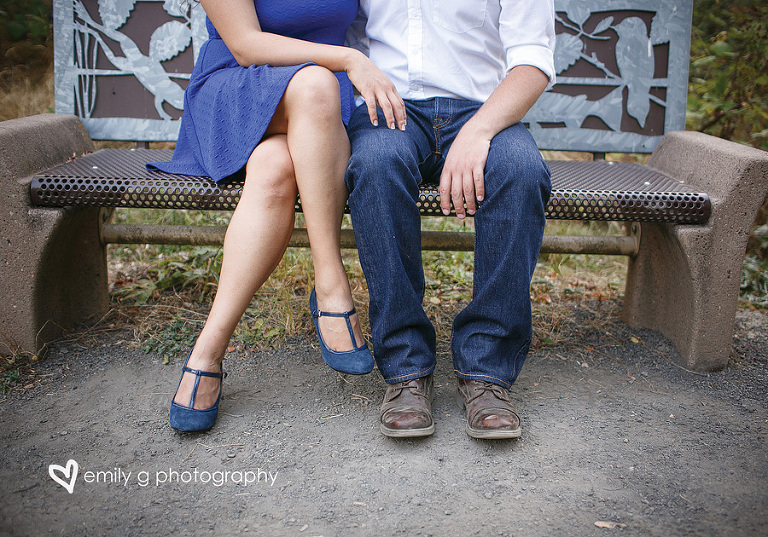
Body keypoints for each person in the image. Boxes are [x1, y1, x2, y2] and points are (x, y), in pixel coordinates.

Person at [147, 0, 406, 432]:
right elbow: (246, 46)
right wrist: (348, 59)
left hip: (314, 113)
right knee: (317, 85)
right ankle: (330, 282)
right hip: (237, 88)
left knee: (274, 169)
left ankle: (206, 352)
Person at [344, 1, 556, 438]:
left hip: (485, 109)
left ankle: (486, 372)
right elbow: (345, 33)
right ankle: (406, 369)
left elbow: (532, 60)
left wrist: (478, 132)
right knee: (377, 165)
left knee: (521, 171)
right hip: (389, 109)